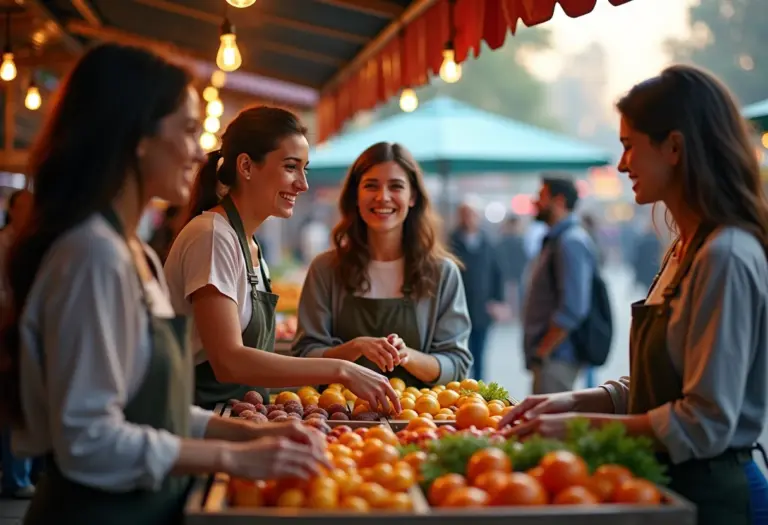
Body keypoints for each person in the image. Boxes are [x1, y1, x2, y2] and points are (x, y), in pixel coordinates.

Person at [0, 44, 328, 525]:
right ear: (139, 137)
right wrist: (230, 458)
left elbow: (153, 410)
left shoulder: (137, 254)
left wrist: (242, 435)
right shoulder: (93, 256)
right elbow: (88, 440)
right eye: (190, 130)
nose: (200, 151)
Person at [501, 65, 768, 525]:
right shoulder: (684, 248)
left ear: (675, 147)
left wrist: (578, 427)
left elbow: (703, 422)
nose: (622, 165)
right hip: (668, 486)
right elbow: (660, 390)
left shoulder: (724, 255)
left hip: (716, 499)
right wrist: (574, 400)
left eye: (629, 146)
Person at [164, 108, 400, 411]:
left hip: (239, 416)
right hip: (198, 426)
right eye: (291, 167)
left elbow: (258, 365)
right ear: (247, 166)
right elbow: (229, 361)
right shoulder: (212, 237)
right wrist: (340, 370)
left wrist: (347, 354)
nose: (303, 184)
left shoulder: (250, 245)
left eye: (305, 170)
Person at [292, 142, 472, 389]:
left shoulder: (442, 273)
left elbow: (457, 364)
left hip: (419, 421)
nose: (383, 197)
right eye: (371, 186)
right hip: (338, 419)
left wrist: (407, 356)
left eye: (396, 186)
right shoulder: (325, 269)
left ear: (413, 197)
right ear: (356, 195)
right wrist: (355, 348)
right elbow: (304, 357)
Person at [522, 176, 598, 394]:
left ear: (559, 201)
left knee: (551, 423)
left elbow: (573, 307)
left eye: (541, 197)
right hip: (551, 356)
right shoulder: (557, 239)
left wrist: (544, 349)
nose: (535, 202)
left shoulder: (570, 241)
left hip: (558, 357)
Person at [0, 189, 41, 500]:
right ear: (12, 210)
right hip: (7, 331)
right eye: (23, 207)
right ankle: (16, 476)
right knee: (14, 403)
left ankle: (26, 472)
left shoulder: (34, 243)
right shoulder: (3, 242)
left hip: (29, 331)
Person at [449, 203, 504, 381]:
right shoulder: (451, 242)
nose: (468, 218)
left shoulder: (487, 243)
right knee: (457, 353)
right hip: (456, 308)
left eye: (472, 214)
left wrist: (497, 300)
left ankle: (479, 389)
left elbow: (497, 273)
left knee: (479, 354)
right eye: (464, 214)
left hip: (481, 309)